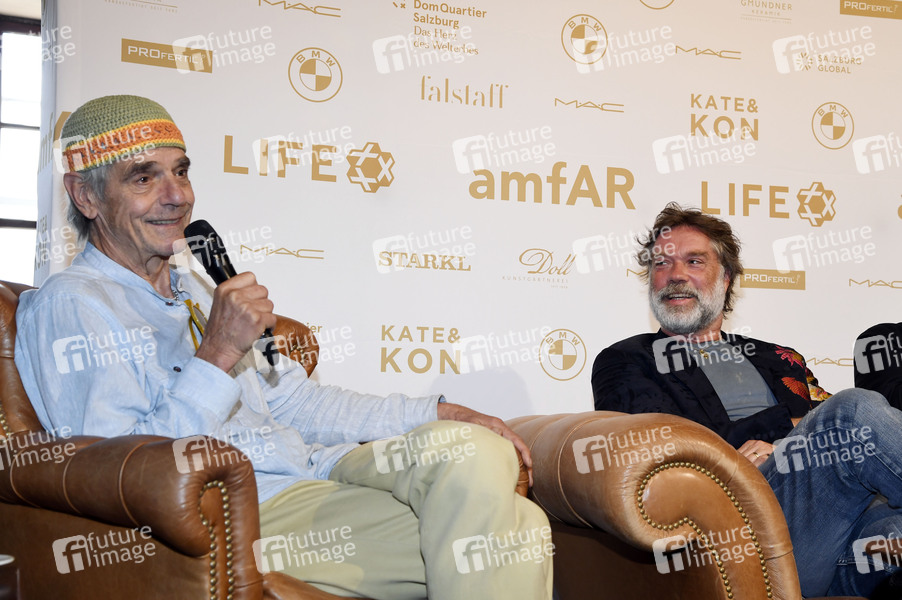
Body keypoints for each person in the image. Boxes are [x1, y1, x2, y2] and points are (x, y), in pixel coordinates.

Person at [15, 95, 553, 600]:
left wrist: (442, 412)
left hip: (312, 472)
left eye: (180, 171)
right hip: (235, 514)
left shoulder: (197, 288)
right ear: (86, 196)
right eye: (143, 177)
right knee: (520, 529)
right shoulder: (74, 304)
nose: (177, 196)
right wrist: (217, 353)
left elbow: (299, 404)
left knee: (474, 450)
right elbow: (121, 473)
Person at [592, 203, 902, 598]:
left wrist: (790, 441)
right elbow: (660, 450)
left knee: (893, 532)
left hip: (827, 537)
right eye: (661, 264)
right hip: (740, 525)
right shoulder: (628, 361)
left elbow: (827, 428)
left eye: (694, 261)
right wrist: (784, 436)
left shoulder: (780, 357)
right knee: (852, 412)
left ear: (726, 278)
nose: (676, 274)